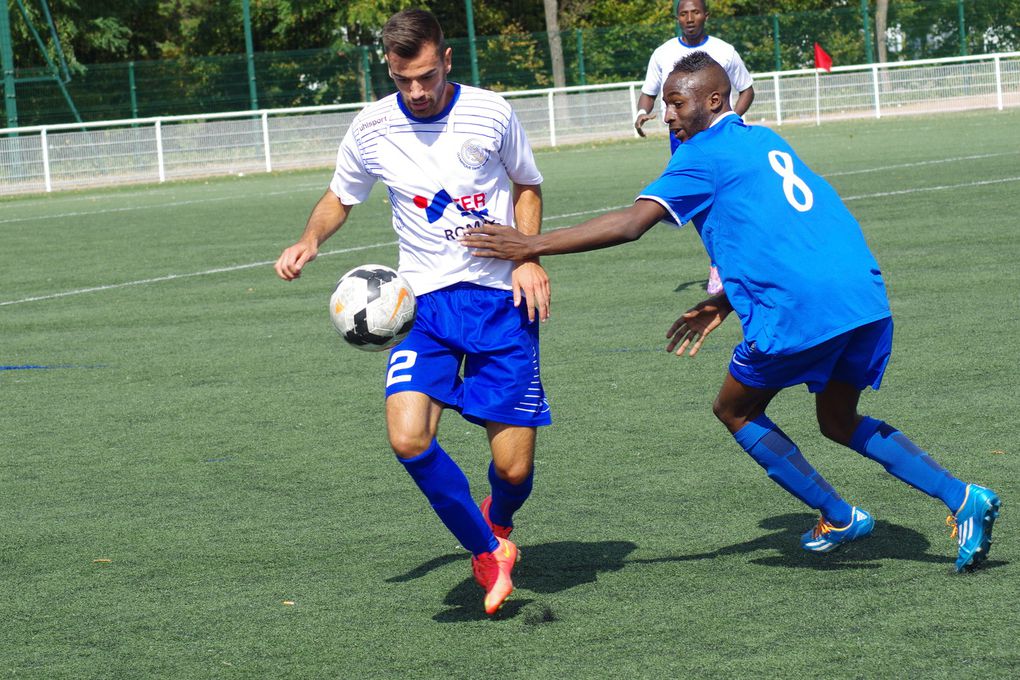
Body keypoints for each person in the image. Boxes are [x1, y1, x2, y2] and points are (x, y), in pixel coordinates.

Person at [461, 52, 1000, 572]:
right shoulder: (764, 140)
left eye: (676, 103)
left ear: (716, 100)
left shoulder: (701, 156)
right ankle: (962, 497)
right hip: (863, 298)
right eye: (665, 103)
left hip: (798, 312)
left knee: (735, 409)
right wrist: (722, 300)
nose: (667, 114)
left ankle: (839, 515)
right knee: (838, 420)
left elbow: (631, 223)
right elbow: (784, 229)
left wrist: (528, 246)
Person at [275, 8, 552, 614]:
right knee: (407, 440)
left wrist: (528, 255)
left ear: (447, 59)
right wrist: (311, 238)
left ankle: (496, 523)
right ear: (390, 70)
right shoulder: (372, 127)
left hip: (502, 306)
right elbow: (340, 194)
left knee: (511, 473)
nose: (418, 92)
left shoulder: (491, 113)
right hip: (420, 306)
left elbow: (527, 185)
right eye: (404, 80)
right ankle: (487, 550)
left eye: (427, 76)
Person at [635, 0, 755, 297]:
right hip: (683, 139)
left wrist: (729, 121)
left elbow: (747, 89)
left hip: (725, 139)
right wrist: (639, 115)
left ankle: (733, 261)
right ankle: (718, 260)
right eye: (683, 13)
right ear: (677, 18)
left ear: (706, 16)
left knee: (733, 198)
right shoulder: (663, 53)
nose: (690, 18)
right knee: (701, 205)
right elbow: (648, 94)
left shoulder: (724, 51)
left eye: (696, 12)